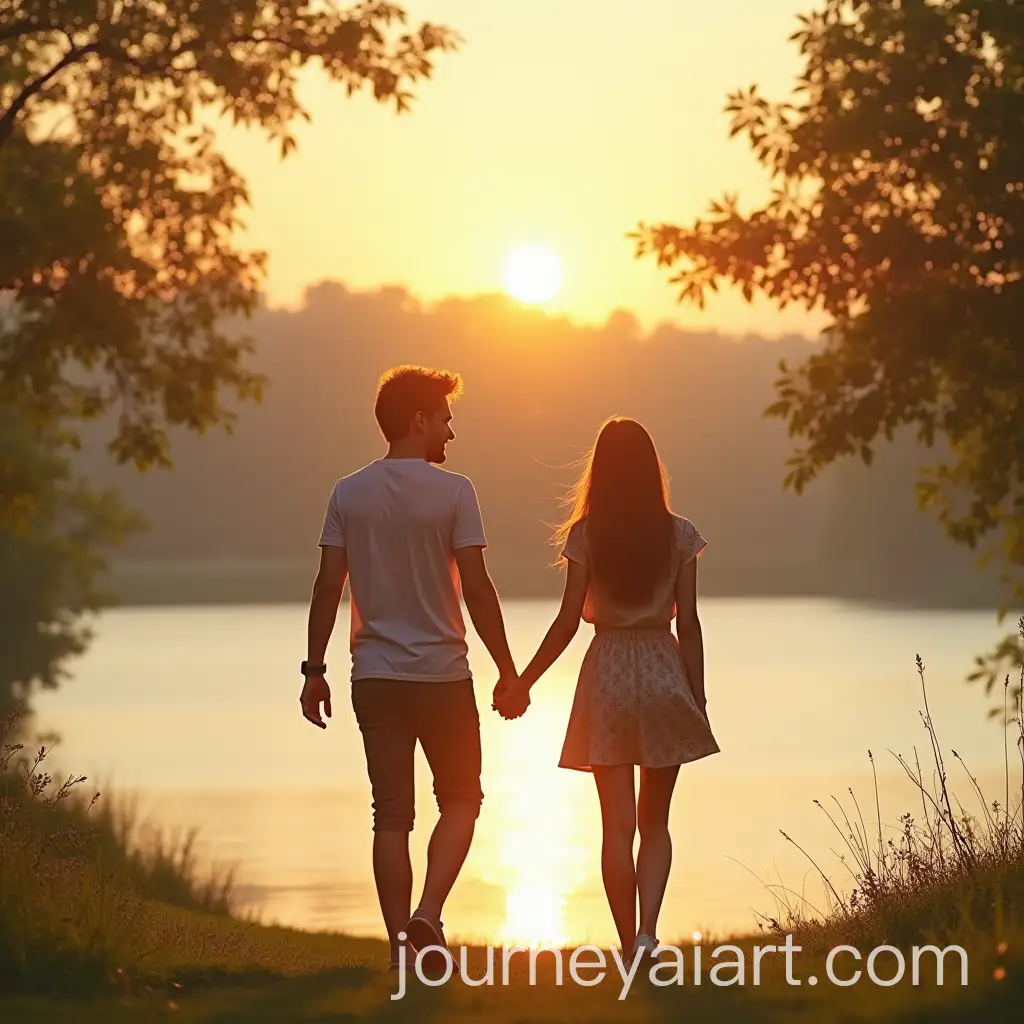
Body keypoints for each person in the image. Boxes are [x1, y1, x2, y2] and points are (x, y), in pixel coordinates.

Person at [300, 364, 518, 972]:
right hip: (444, 677)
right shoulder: (455, 493)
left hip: (373, 676)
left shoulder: (348, 493)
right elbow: (476, 586)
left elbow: (327, 586)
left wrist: (313, 669)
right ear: (418, 420)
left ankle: (402, 949)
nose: (451, 432)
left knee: (391, 815)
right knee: (462, 802)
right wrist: (508, 669)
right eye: (446, 419)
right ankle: (428, 913)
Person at [495, 416, 719, 963]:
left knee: (615, 827)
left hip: (609, 675)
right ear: (651, 471)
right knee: (656, 823)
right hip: (666, 672)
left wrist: (523, 681)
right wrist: (699, 697)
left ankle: (626, 945)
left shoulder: (586, 535)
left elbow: (569, 621)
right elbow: (688, 623)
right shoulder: (680, 534)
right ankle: (648, 932)